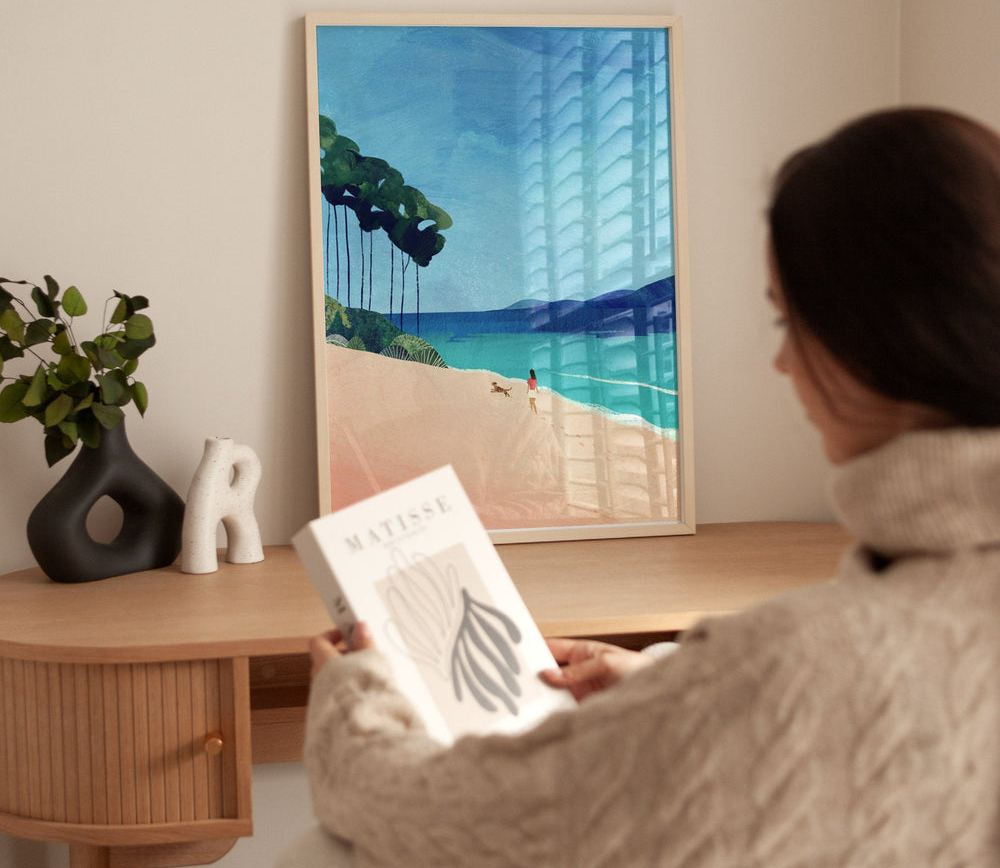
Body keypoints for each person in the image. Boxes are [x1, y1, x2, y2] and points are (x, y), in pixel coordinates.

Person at [297, 108, 1000, 867]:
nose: (782, 365)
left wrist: (355, 700)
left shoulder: (794, 667)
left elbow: (430, 812)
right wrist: (673, 687)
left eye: (786, 323)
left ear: (871, 337)